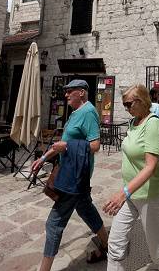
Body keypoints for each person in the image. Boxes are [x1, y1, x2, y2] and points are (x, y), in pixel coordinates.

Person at [103, 85, 159, 271]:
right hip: (131, 195)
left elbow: (150, 167)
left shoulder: (153, 124)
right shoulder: (133, 122)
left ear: (142, 101)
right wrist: (127, 192)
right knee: (115, 244)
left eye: (128, 104)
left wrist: (122, 193)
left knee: (158, 253)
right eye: (124, 104)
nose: (126, 108)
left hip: (151, 196)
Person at [31, 79, 109, 271]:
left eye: (69, 91)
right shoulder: (75, 113)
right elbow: (64, 141)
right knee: (86, 210)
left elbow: (95, 145)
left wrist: (66, 146)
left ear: (81, 93)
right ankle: (108, 246)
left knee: (53, 224)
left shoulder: (89, 112)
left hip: (75, 175)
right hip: (72, 172)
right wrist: (43, 158)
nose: (65, 95)